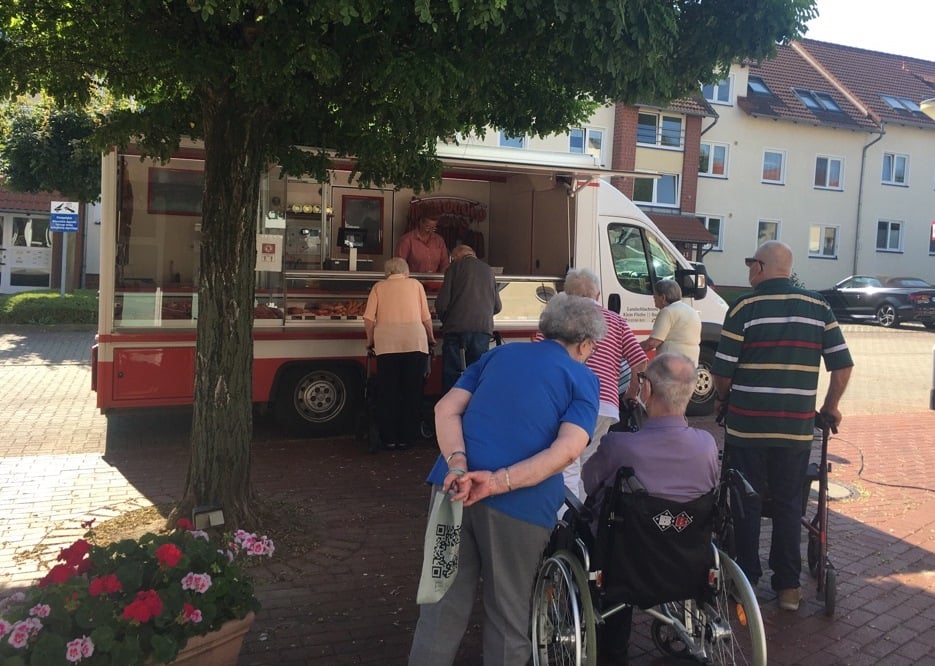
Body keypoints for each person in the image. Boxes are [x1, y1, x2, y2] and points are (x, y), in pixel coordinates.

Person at [407, 293, 605, 666]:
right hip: (521, 506)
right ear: (586, 344)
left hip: (451, 490)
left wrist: (459, 465)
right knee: (509, 617)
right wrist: (498, 482)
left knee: (439, 607)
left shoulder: (498, 355)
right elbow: (567, 450)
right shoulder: (583, 378)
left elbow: (445, 408)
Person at [712, 240, 853, 612]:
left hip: (747, 429)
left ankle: (746, 580)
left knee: (746, 503)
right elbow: (843, 365)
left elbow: (722, 373)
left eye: (749, 264)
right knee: (791, 505)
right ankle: (789, 588)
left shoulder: (744, 307)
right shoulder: (818, 307)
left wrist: (725, 397)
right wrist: (830, 407)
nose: (748, 271)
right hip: (795, 431)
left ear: (759, 267)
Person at [582, 352, 720, 664]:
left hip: (625, 563)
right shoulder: (707, 445)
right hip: (686, 556)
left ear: (647, 390)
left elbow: (590, 483)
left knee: (598, 531)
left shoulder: (620, 446)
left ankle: (613, 649)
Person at [540, 268, 648, 500]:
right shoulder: (617, 321)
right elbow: (640, 362)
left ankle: (565, 522)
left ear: (567, 295)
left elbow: (539, 354)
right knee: (586, 463)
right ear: (598, 295)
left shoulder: (559, 320)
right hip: (604, 404)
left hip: (565, 403)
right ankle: (586, 519)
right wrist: (630, 393)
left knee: (565, 464)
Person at [363, 257, 437, 451]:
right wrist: (431, 338)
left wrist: (370, 340)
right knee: (412, 391)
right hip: (415, 342)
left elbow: (369, 319)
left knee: (388, 392)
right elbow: (426, 317)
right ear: (406, 271)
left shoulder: (378, 287)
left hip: (386, 345)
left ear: (387, 272)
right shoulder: (416, 285)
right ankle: (408, 438)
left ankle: (389, 438)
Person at [434, 244, 502, 394]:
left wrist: (446, 321)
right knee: (477, 373)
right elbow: (497, 306)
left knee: (452, 373)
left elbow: (442, 303)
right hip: (483, 330)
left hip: (456, 329)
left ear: (456, 256)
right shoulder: (489, 270)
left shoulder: (454, 268)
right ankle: (474, 408)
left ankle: (450, 410)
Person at [640, 278, 702, 364]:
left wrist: (631, 350)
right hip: (691, 365)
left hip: (671, 365)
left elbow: (652, 343)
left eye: (655, 296)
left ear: (663, 297)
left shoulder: (667, 312)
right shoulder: (691, 311)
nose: (653, 299)